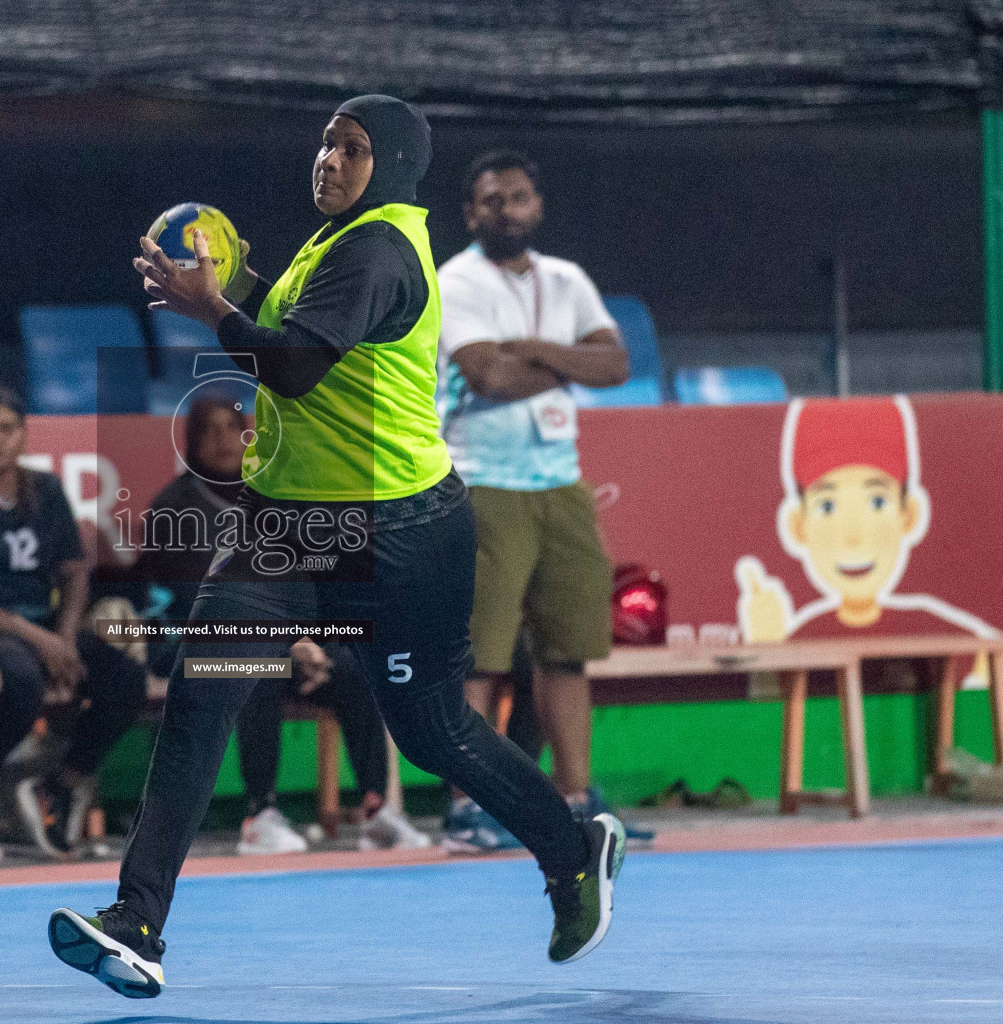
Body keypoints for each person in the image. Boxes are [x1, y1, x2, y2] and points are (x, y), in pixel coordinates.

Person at [48, 95, 625, 1000]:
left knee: (432, 732)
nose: (328, 160)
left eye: (351, 149)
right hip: (284, 527)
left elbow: (293, 369)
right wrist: (232, 285)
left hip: (399, 533)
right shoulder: (332, 243)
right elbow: (287, 328)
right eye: (324, 143)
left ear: (390, 163)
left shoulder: (381, 249)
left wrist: (211, 312)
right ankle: (137, 924)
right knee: (202, 702)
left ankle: (571, 852)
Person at [434, 151, 628, 846]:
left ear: (536, 206)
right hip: (481, 480)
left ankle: (576, 798)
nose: (506, 211)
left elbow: (618, 364)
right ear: (470, 213)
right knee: (479, 659)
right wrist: (571, 363)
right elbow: (486, 376)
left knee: (566, 651)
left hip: (560, 483)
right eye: (491, 201)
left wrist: (535, 349)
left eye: (517, 198)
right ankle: (466, 808)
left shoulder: (566, 279)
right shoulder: (454, 281)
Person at [135, 394, 428, 854]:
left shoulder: (272, 498)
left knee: (352, 666)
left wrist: (308, 641)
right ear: (191, 441)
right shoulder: (176, 507)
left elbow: (301, 583)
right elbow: (204, 604)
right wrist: (287, 644)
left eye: (232, 427)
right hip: (189, 644)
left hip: (275, 640)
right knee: (256, 670)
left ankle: (377, 810)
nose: (224, 439)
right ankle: (260, 812)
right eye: (209, 430)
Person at [0, 385, 147, 860]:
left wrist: (65, 637)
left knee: (124, 677)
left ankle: (63, 781)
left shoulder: (45, 489)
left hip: (46, 625)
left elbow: (73, 570)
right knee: (21, 681)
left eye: (6, 429)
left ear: (23, 435)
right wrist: (40, 640)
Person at [735, 395, 999, 641]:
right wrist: (768, 647)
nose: (853, 535)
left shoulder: (935, 632)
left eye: (877, 502)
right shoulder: (804, 640)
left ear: (908, 515)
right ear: (798, 526)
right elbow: (779, 688)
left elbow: (986, 670)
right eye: (827, 507)